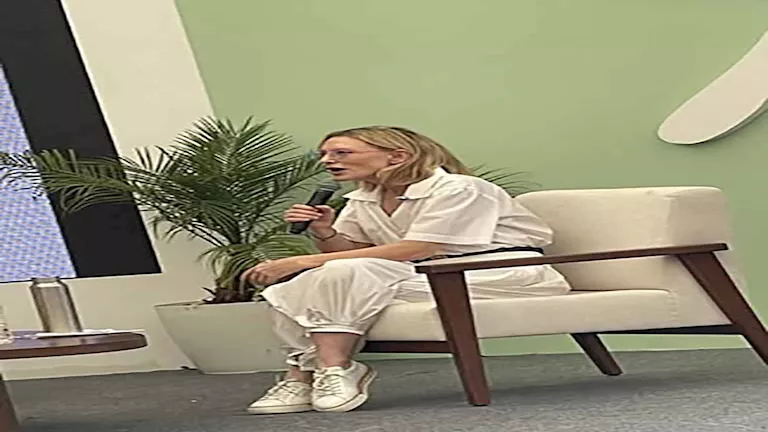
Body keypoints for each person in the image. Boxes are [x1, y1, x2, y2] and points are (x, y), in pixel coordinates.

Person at [240, 126, 571, 414]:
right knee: (307, 283)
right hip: (422, 274)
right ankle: (308, 373)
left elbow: (420, 248)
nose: (327, 160)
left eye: (341, 153)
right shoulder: (363, 198)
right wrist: (325, 232)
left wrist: (303, 261)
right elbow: (349, 254)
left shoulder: (460, 188)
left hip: (498, 273)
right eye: (323, 154)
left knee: (330, 275)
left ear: (397, 157)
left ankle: (326, 369)